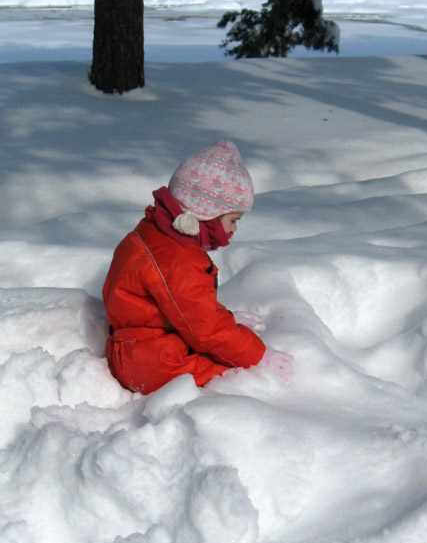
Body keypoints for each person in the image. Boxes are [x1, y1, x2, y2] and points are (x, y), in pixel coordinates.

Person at [102, 140, 293, 394]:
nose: (234, 229)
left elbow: (186, 307)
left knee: (224, 352)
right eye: (233, 219)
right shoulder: (177, 258)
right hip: (152, 361)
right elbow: (206, 329)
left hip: (138, 348)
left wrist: (227, 319)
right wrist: (260, 358)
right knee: (233, 374)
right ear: (206, 213)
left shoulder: (158, 235)